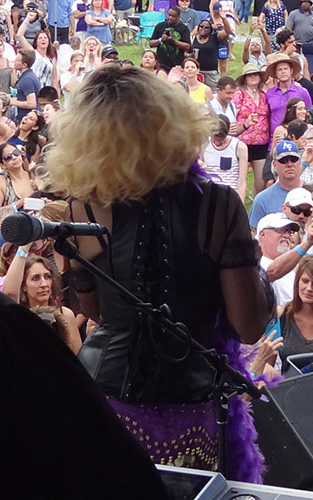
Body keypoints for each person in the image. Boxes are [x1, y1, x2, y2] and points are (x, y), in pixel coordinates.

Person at [43, 65, 268, 480]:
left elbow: (94, 309)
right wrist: (257, 269)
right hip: (193, 405)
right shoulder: (216, 205)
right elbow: (248, 324)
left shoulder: (84, 206)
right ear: (171, 122)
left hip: (105, 399)